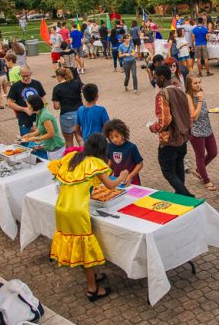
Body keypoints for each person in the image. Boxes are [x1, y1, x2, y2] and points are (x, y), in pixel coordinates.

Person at [48, 133, 124, 301]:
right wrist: (122, 176)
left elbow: (56, 169)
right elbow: (111, 186)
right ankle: (92, 289)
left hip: (62, 208)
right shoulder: (95, 163)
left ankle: (93, 277)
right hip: (77, 211)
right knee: (84, 250)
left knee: (78, 246)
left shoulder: (73, 157)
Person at [150, 65, 193, 197]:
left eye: (155, 77)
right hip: (183, 138)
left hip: (169, 141)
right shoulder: (180, 91)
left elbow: (165, 120)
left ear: (162, 78)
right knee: (179, 168)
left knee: (168, 172)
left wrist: (153, 127)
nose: (154, 80)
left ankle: (187, 196)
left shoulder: (162, 94)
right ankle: (180, 195)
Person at [185, 75, 218, 191]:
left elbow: (202, 110)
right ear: (189, 84)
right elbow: (194, 116)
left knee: (213, 152)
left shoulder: (200, 93)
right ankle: (206, 180)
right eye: (195, 83)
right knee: (199, 157)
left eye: (199, 82)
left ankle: (199, 170)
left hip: (207, 128)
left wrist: (211, 111)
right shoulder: (188, 96)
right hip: (196, 132)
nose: (198, 85)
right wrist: (199, 100)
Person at [6, 66, 46, 136]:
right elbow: (9, 103)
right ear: (19, 74)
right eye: (22, 76)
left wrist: (42, 110)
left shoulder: (37, 84)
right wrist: (24, 109)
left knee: (40, 142)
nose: (25, 78)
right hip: (24, 119)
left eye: (27, 76)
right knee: (26, 141)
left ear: (30, 73)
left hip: (38, 118)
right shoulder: (15, 86)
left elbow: (43, 99)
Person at [22, 95, 65, 160]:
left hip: (56, 149)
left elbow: (51, 134)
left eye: (28, 105)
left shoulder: (44, 116)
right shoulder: (39, 114)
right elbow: (39, 131)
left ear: (33, 105)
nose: (27, 107)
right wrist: (28, 136)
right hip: (51, 148)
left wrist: (36, 139)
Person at [103, 119, 143, 186]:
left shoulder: (131, 147)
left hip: (132, 181)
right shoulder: (109, 147)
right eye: (111, 137)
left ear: (122, 133)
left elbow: (140, 164)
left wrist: (130, 175)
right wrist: (107, 175)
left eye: (117, 136)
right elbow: (111, 161)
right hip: (117, 180)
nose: (114, 140)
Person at [52, 67, 83, 148]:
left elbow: (57, 106)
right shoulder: (77, 83)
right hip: (79, 113)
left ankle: (71, 158)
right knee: (80, 138)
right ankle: (85, 156)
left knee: (69, 141)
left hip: (66, 115)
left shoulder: (57, 88)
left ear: (59, 76)